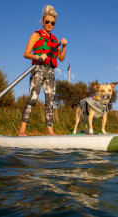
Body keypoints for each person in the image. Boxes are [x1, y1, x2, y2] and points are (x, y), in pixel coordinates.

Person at [18, 5, 67, 136]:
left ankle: (50, 131)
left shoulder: (55, 39)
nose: (49, 24)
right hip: (38, 69)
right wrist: (38, 56)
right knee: (33, 98)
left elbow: (61, 58)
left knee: (50, 101)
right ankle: (22, 130)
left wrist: (64, 46)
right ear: (43, 21)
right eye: (47, 22)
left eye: (52, 23)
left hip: (50, 71)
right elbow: (26, 53)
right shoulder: (36, 35)